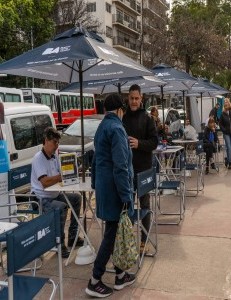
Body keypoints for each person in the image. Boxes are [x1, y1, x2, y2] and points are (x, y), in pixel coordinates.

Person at [86, 94, 135, 298]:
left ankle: (120, 274)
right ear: (120, 110)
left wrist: (95, 184)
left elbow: (96, 160)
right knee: (112, 235)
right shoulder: (116, 128)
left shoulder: (102, 127)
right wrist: (126, 195)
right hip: (116, 191)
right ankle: (94, 280)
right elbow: (121, 166)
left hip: (105, 190)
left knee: (114, 233)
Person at [31, 127, 82, 259]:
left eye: (58, 143)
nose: (56, 145)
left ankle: (72, 236)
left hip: (54, 195)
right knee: (61, 207)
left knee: (76, 198)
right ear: (46, 141)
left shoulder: (54, 157)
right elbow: (45, 182)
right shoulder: (38, 158)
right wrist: (62, 176)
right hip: (40, 199)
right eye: (54, 142)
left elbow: (63, 176)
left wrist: (73, 172)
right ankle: (59, 243)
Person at [123, 84, 158, 253]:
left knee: (144, 206)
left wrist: (139, 144)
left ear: (141, 99)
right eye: (132, 98)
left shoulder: (147, 118)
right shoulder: (122, 117)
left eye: (137, 98)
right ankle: (127, 238)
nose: (134, 101)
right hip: (127, 171)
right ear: (128, 99)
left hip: (143, 170)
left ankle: (144, 240)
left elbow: (154, 142)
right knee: (127, 206)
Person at [219, 98, 231, 170]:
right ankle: (230, 163)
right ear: (224, 105)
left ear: (229, 103)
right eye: (224, 102)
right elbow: (220, 124)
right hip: (226, 133)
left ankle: (227, 159)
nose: (226, 103)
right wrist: (224, 130)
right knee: (229, 147)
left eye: (227, 102)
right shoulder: (222, 113)